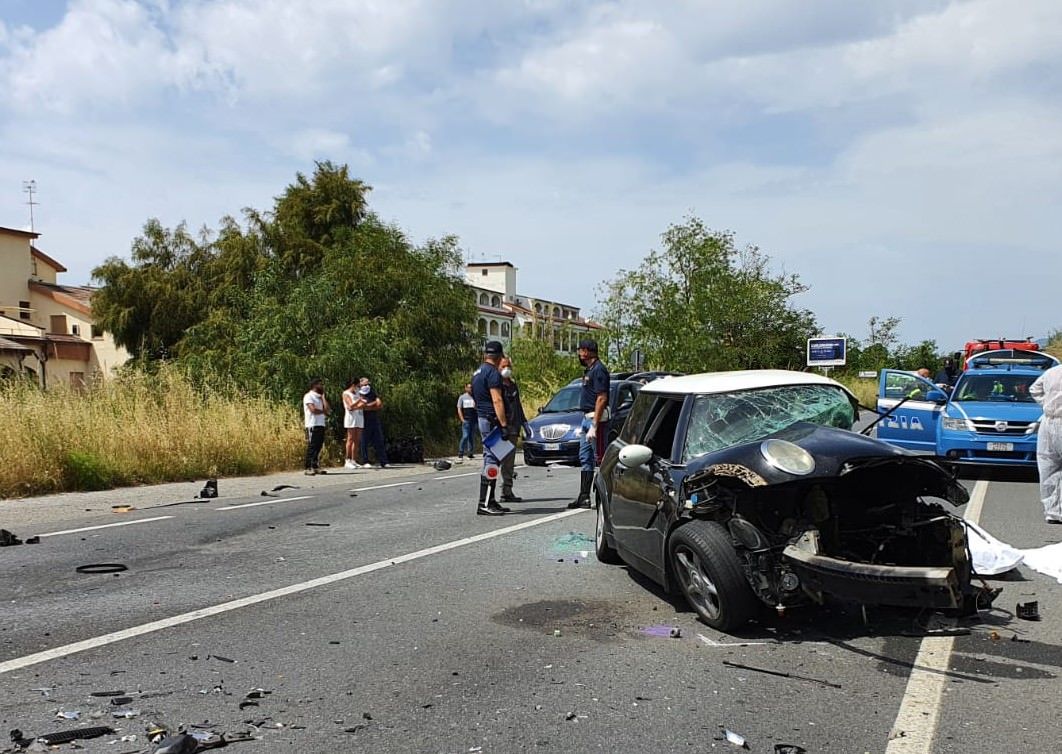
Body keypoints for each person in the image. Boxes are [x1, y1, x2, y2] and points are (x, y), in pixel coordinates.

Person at [471, 340, 512, 515]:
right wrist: (503, 424)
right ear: (499, 356)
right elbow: (497, 399)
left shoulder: (477, 373)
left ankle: (491, 500)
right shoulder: (493, 374)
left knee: (494, 457)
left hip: (482, 417)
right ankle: (485, 503)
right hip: (491, 420)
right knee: (491, 459)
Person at [569, 339, 609, 509]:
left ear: (587, 351)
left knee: (600, 458)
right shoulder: (590, 370)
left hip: (595, 419)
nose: (579, 354)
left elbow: (602, 398)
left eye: (580, 350)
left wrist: (594, 424)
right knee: (585, 458)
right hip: (586, 418)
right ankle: (584, 496)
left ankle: (605, 496)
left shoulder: (599, 370)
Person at [1031, 365, 1062, 523]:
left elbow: (1034, 389)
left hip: (1048, 421)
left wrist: (1047, 402)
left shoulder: (1051, 372)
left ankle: (1052, 511)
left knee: (1048, 465)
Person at [498, 356, 527, 503]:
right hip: (500, 429)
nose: (506, 369)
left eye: (508, 366)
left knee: (509, 463)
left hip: (513, 429)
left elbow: (518, 406)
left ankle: (506, 491)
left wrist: (524, 423)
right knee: (496, 461)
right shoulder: (496, 386)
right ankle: (489, 496)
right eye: (503, 366)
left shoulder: (513, 385)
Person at [358, 377, 389, 468]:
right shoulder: (359, 394)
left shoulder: (372, 393)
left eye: (368, 384)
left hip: (374, 419)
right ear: (360, 385)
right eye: (365, 384)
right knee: (364, 441)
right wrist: (372, 405)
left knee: (379, 440)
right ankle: (365, 460)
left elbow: (379, 404)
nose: (367, 386)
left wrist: (369, 406)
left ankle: (384, 461)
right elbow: (362, 407)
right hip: (364, 420)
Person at [303, 377, 330, 475]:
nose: (322, 386)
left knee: (318, 446)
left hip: (320, 424)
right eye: (320, 384)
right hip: (312, 424)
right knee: (312, 446)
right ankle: (308, 467)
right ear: (315, 385)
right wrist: (323, 411)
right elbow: (313, 410)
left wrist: (323, 398)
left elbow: (327, 409)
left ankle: (315, 466)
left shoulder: (319, 397)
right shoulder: (308, 396)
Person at [342, 377, 366, 469]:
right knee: (351, 438)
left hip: (359, 417)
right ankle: (347, 460)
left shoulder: (358, 393)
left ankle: (353, 460)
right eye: (357, 386)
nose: (358, 388)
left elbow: (363, 404)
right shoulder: (346, 393)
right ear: (353, 385)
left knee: (357, 439)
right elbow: (350, 406)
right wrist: (358, 402)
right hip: (351, 418)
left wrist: (357, 405)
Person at [456, 383, 477, 460]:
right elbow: (459, 409)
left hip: (473, 420)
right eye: (469, 387)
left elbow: (477, 408)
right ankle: (460, 452)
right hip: (466, 419)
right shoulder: (462, 397)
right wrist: (462, 419)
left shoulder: (475, 397)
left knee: (471, 437)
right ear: (465, 388)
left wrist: (476, 406)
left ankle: (470, 453)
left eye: (471, 387)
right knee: (465, 436)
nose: (470, 389)